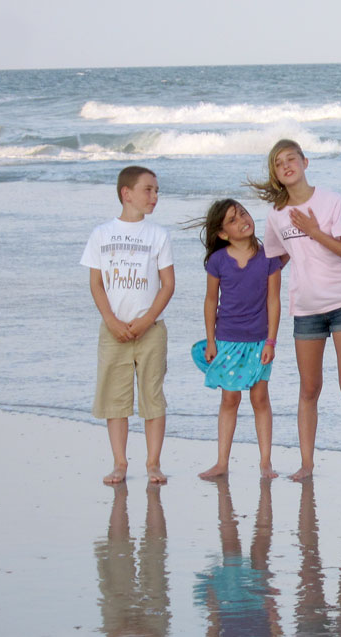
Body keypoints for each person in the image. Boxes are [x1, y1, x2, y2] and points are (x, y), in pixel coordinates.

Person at [251, 140, 341, 485]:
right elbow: (277, 260)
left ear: (305, 162)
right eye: (278, 163)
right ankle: (306, 465)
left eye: (291, 159)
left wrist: (314, 232)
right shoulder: (276, 214)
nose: (286, 165)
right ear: (275, 173)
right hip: (305, 309)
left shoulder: (332, 201)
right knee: (309, 389)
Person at [81, 166, 175, 485]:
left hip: (151, 330)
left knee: (153, 396)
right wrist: (110, 320)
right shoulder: (101, 234)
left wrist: (147, 320)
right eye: (148, 190)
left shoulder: (158, 235)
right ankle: (119, 463)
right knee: (115, 398)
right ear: (127, 193)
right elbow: (96, 283)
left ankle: (153, 463)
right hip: (114, 330)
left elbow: (167, 284)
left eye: (157, 190)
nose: (155, 196)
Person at [189, 199, 283, 480]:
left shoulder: (268, 257)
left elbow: (274, 301)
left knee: (260, 398)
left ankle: (265, 462)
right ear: (222, 233)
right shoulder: (217, 261)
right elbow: (210, 301)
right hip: (227, 339)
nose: (242, 219)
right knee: (230, 399)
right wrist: (211, 340)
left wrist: (271, 341)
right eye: (232, 219)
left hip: (259, 341)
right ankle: (221, 463)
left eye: (243, 213)